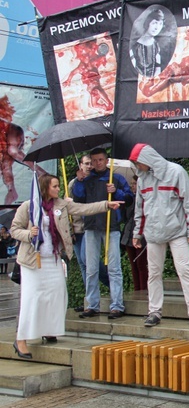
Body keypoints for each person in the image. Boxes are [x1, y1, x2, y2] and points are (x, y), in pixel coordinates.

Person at [10, 174, 121, 358]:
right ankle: (21, 339)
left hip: (52, 259)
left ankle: (47, 329)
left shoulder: (60, 204)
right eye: (55, 186)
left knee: (57, 294)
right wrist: (29, 234)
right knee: (32, 299)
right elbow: (14, 230)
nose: (58, 189)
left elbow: (82, 208)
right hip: (32, 261)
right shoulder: (29, 206)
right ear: (45, 187)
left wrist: (106, 205)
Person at [129, 143, 189, 328]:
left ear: (147, 159)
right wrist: (137, 233)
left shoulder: (176, 172)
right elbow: (139, 208)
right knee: (153, 273)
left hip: (176, 232)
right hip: (154, 234)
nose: (137, 167)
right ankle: (154, 312)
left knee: (184, 270)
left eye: (138, 162)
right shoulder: (142, 179)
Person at [72, 148, 133, 320]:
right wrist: (78, 181)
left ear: (106, 161)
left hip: (111, 226)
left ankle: (117, 305)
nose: (97, 163)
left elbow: (128, 200)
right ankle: (92, 304)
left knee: (114, 268)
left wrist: (115, 191)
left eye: (100, 160)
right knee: (91, 268)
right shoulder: (87, 179)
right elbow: (78, 200)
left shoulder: (117, 178)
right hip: (91, 226)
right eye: (94, 160)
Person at [68, 155, 110, 310]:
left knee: (89, 260)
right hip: (76, 228)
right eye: (86, 164)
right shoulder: (73, 183)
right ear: (80, 165)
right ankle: (89, 299)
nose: (89, 166)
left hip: (89, 226)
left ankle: (108, 283)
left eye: (90, 163)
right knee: (83, 265)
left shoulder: (93, 181)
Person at [120, 175, 148, 292]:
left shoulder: (145, 199)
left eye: (135, 183)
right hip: (128, 234)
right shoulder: (130, 199)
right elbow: (125, 216)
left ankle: (143, 289)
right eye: (131, 184)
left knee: (141, 264)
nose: (132, 186)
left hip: (141, 234)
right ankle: (137, 289)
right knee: (133, 265)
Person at [130, 9, 165, 77]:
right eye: (154, 23)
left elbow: (158, 68)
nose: (157, 28)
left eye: (160, 24)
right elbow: (132, 71)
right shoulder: (134, 46)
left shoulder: (156, 45)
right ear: (148, 23)